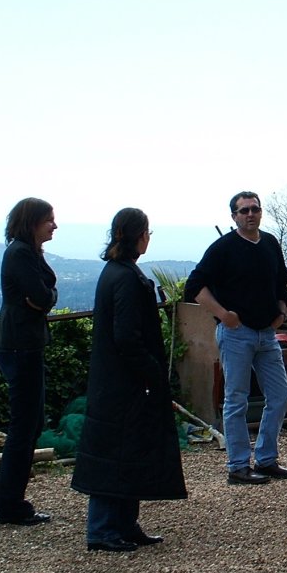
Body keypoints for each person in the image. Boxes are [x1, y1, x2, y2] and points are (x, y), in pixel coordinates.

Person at [71, 208, 187, 552]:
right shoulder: (123, 277)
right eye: (147, 232)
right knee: (115, 451)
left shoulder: (118, 272)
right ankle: (103, 528)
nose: (148, 238)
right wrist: (151, 370)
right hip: (123, 383)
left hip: (120, 381)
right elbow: (126, 337)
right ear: (139, 236)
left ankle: (124, 523)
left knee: (128, 449)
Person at [183, 191, 287, 485]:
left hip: (267, 334)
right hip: (237, 335)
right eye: (244, 210)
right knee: (236, 400)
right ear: (234, 216)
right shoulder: (223, 248)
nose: (250, 214)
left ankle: (266, 459)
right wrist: (223, 314)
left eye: (254, 209)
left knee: (280, 395)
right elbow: (194, 286)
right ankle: (237, 466)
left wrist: (281, 313)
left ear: (260, 212)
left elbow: (281, 283)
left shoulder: (270, 244)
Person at [0, 197, 58, 526]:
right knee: (25, 426)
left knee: (30, 424)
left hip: (23, 345)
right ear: (32, 223)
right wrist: (44, 297)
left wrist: (44, 297)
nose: (54, 226)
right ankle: (10, 504)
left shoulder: (28, 252)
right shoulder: (20, 253)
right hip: (19, 346)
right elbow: (42, 296)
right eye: (49, 220)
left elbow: (44, 296)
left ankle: (4, 498)